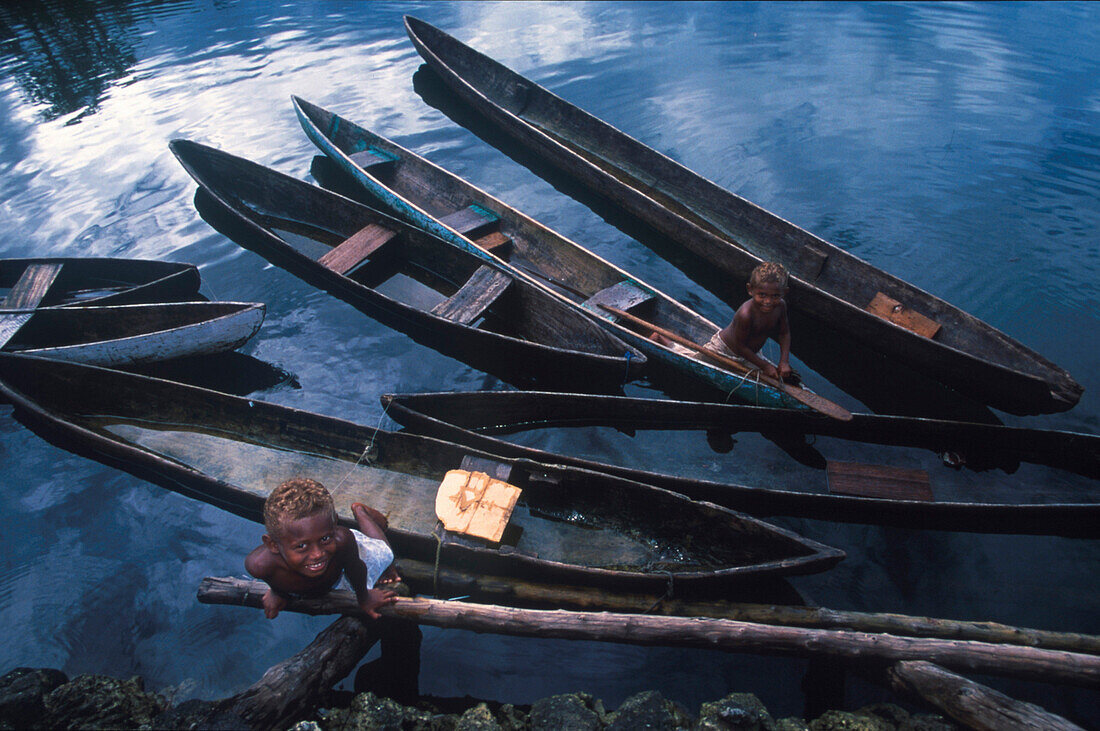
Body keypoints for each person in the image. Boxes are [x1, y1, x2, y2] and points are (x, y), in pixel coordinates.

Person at [245, 477, 400, 620]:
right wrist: (277, 592)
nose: (318, 554)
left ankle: (361, 511)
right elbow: (273, 579)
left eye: (325, 539)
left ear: (334, 525)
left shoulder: (342, 541)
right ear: (273, 545)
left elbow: (356, 567)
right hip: (332, 573)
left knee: (385, 554)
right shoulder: (259, 566)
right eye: (301, 546)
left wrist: (364, 598)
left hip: (345, 559)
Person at [652, 261, 793, 382]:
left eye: (775, 296)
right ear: (750, 290)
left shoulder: (780, 306)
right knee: (693, 360)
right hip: (725, 349)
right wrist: (765, 366)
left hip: (750, 353)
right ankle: (661, 338)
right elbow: (739, 347)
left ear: (784, 293)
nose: (768, 301)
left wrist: (784, 361)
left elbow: (784, 333)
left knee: (772, 377)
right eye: (762, 295)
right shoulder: (746, 314)